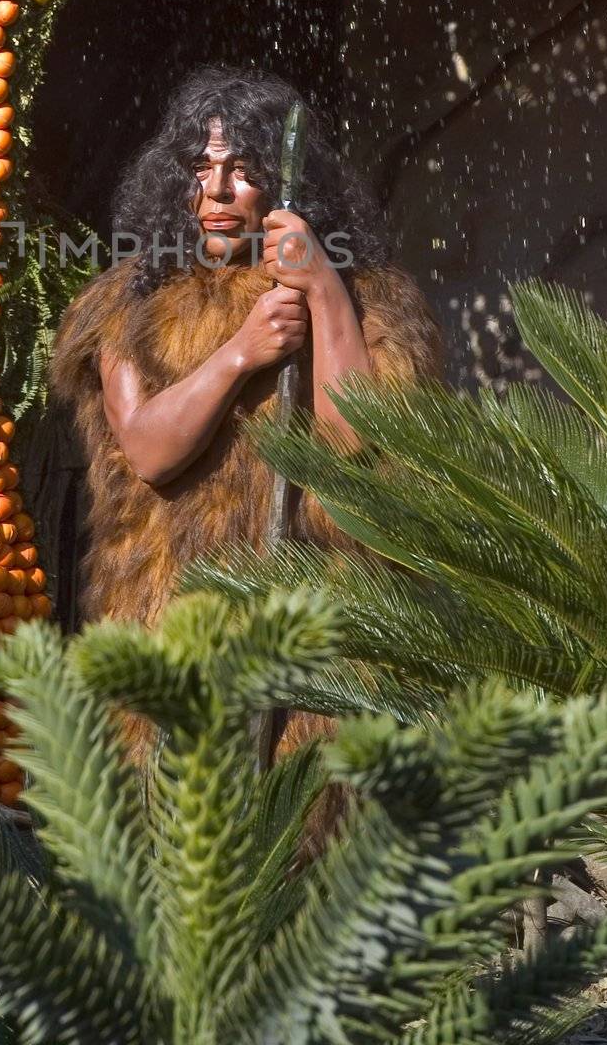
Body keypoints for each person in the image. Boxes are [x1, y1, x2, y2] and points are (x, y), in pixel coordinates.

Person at [49, 65, 443, 766]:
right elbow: (146, 450)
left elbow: (357, 443)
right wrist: (242, 352)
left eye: (243, 169)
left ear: (287, 187)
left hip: (313, 654)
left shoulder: (368, 299)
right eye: (200, 169)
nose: (220, 191)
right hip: (171, 641)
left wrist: (323, 289)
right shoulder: (128, 303)